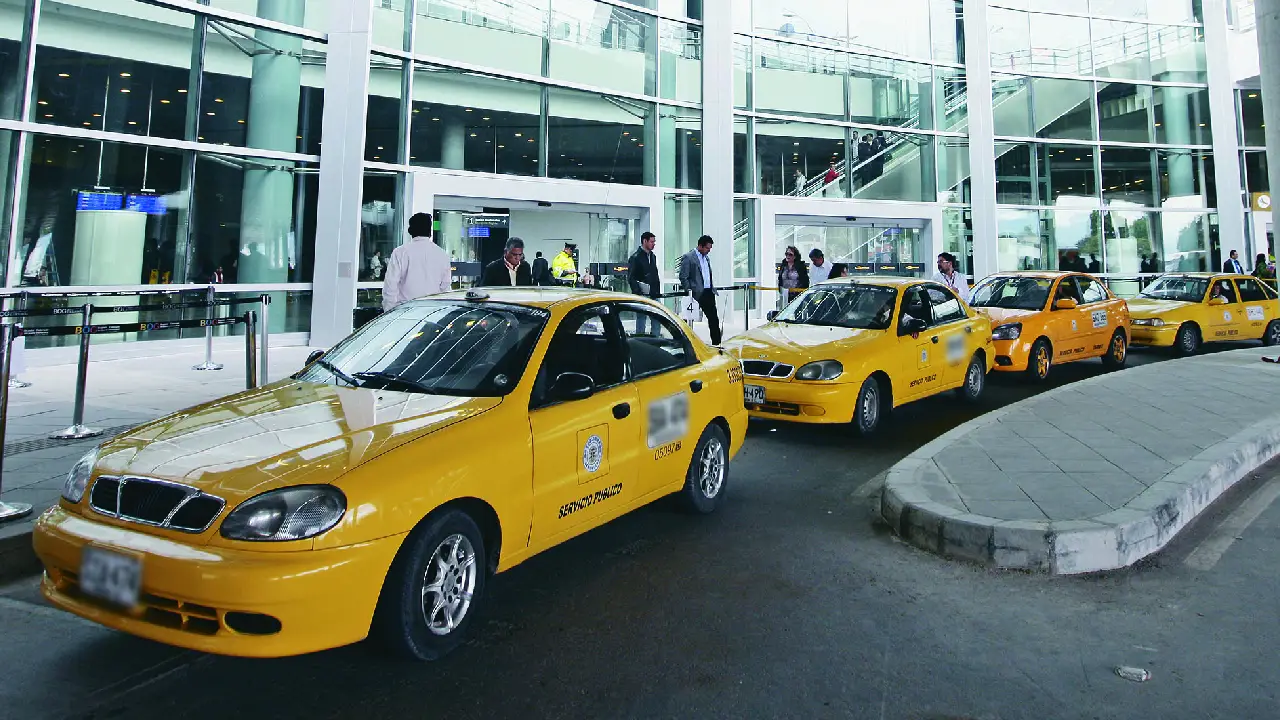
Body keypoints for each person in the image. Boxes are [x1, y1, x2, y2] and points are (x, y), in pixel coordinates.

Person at [382, 212, 452, 312]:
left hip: (405, 312)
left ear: (410, 230)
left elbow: (390, 286)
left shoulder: (400, 252)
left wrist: (389, 312)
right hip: (432, 313)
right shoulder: (442, 254)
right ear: (429, 231)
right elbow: (445, 288)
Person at [678, 235, 722, 346]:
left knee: (713, 319)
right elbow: (683, 276)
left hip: (708, 292)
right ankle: (689, 345)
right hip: (696, 293)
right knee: (690, 320)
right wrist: (690, 291)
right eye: (707, 248)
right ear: (700, 246)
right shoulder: (688, 257)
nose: (709, 250)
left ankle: (717, 343)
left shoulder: (706, 257)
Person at [628, 231, 662, 334]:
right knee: (641, 318)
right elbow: (631, 277)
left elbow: (654, 274)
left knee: (657, 318)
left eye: (654, 242)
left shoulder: (653, 256)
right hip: (642, 294)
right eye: (651, 242)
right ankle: (640, 340)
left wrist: (657, 291)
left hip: (654, 293)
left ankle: (656, 340)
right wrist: (638, 291)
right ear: (645, 241)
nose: (653, 244)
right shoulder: (635, 257)